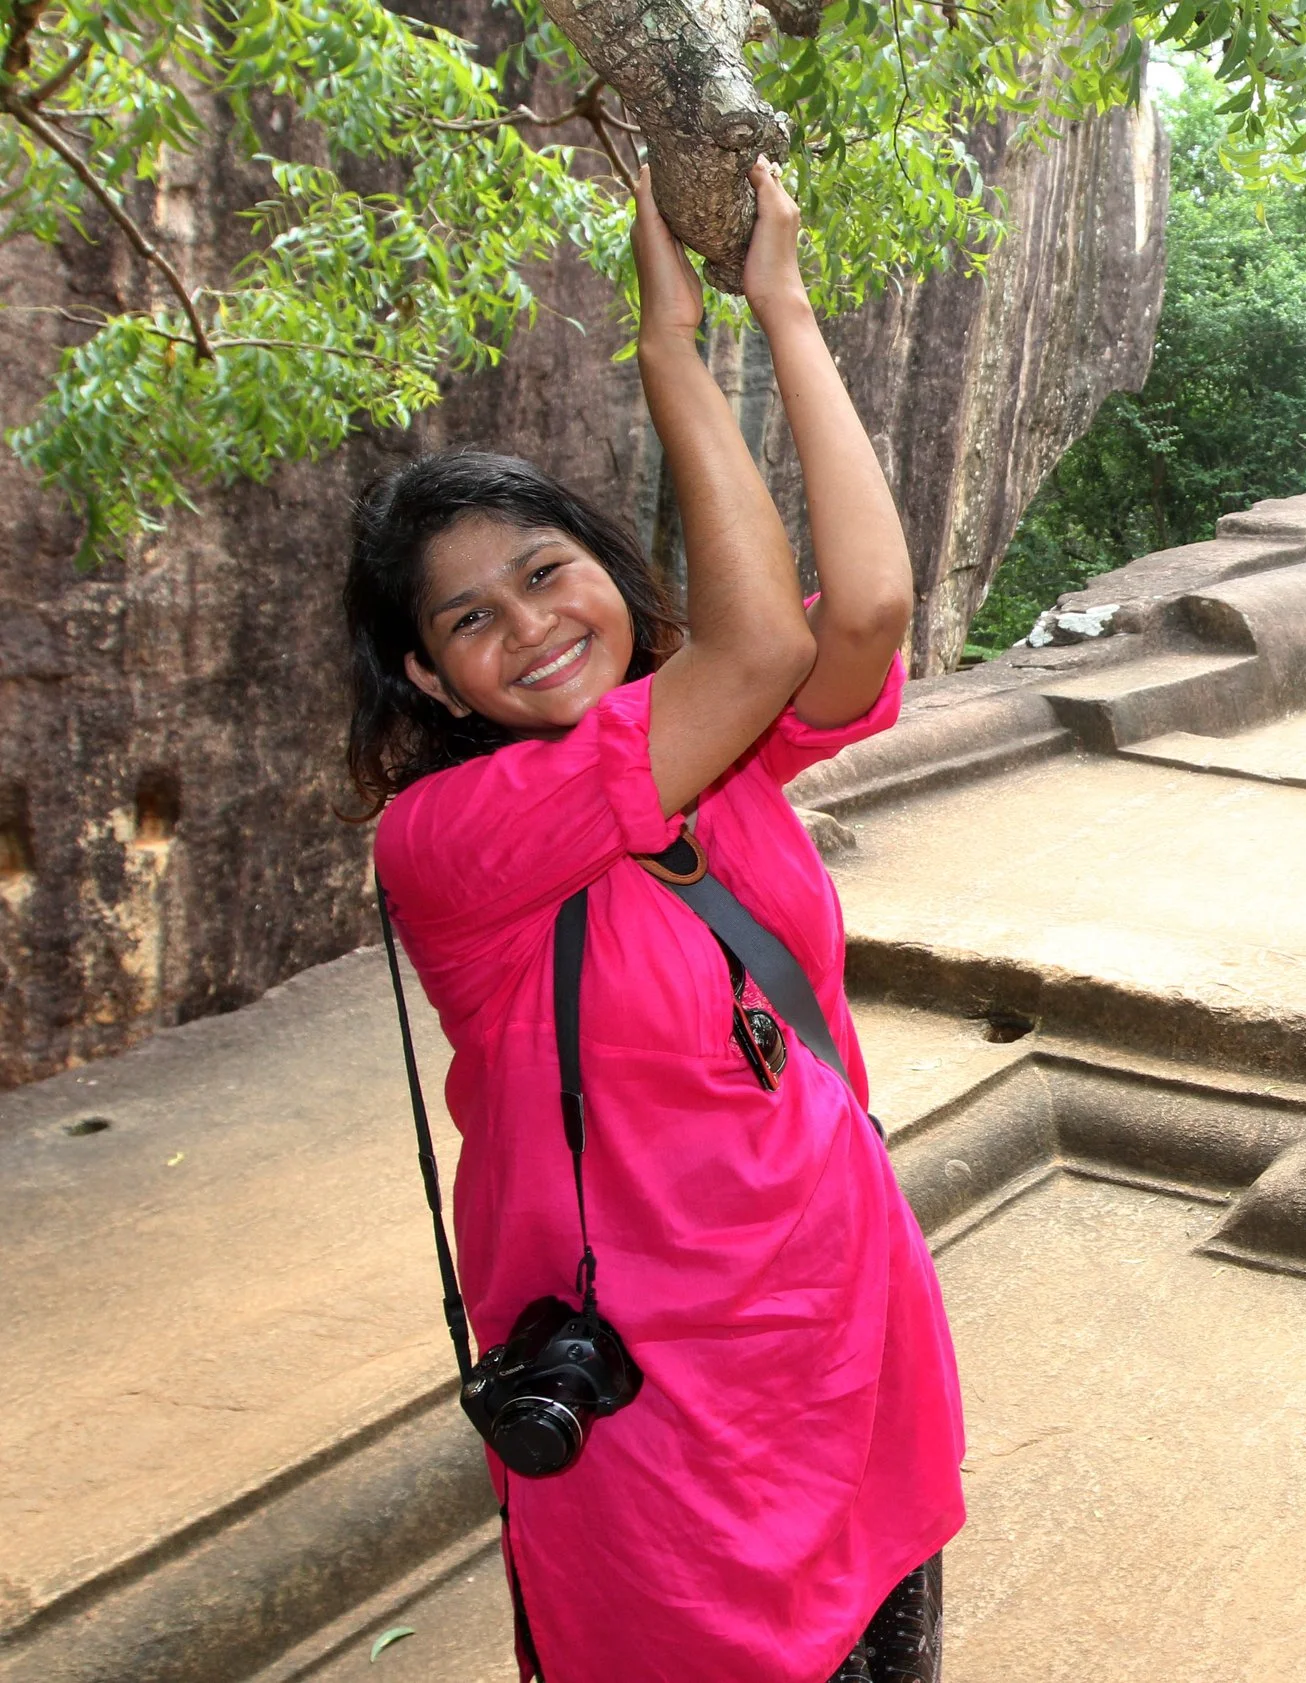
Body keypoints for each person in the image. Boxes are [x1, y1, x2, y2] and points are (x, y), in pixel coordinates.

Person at [343, 159, 962, 1683]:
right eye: (469, 620)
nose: (529, 626)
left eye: (544, 573)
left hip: (842, 1311)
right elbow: (753, 640)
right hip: (662, 1401)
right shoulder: (450, 841)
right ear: (427, 679)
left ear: (607, 575)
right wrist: (668, 348)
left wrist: (784, 310)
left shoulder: (715, 750)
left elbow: (865, 614)